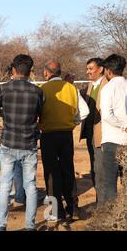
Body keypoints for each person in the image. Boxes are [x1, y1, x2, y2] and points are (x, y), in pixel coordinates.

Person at [0, 54, 43, 231]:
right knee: (30, 185)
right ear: (30, 72)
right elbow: (40, 114)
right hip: (29, 144)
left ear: (13, 69)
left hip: (8, 143)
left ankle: (1, 225)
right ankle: (30, 226)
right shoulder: (38, 91)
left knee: (4, 185)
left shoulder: (3, 89)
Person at [39, 61, 89, 221]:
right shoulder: (71, 88)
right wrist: (73, 123)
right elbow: (85, 111)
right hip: (66, 135)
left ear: (47, 73)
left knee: (52, 173)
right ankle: (73, 208)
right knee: (68, 169)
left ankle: (56, 211)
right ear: (59, 72)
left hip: (48, 135)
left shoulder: (42, 89)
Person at [95, 54, 127, 205]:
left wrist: (123, 126)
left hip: (112, 141)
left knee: (110, 183)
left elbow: (107, 115)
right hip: (125, 141)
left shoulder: (108, 88)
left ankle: (111, 219)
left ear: (108, 71)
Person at [79, 58, 108, 187]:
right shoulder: (90, 86)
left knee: (103, 169)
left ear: (101, 69)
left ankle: (104, 203)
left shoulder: (109, 85)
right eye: (87, 69)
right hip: (90, 134)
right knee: (94, 167)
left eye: (91, 69)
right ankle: (99, 201)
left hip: (104, 135)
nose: (88, 72)